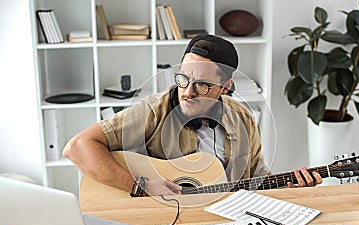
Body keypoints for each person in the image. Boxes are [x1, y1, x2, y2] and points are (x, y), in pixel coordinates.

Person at [63, 34, 322, 197]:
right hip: (167, 223)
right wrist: (138, 186)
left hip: (227, 220)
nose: (187, 92)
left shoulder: (243, 117)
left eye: (201, 85)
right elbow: (77, 147)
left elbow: (256, 178)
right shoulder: (153, 110)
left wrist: (289, 187)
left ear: (226, 86)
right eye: (183, 79)